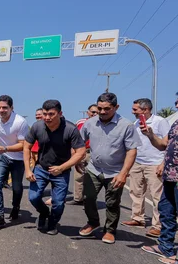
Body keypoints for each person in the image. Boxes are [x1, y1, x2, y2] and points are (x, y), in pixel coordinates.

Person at [78, 93, 141, 244]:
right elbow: (79, 142)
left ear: (116, 107)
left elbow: (132, 150)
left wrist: (123, 174)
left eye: (107, 109)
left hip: (115, 172)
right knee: (88, 198)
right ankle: (93, 222)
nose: (102, 112)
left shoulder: (126, 125)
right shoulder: (90, 123)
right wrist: (77, 159)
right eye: (99, 108)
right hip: (94, 169)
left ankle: (110, 230)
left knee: (112, 203)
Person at [24, 100, 86, 235]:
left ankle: (52, 222)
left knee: (58, 203)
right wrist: (28, 169)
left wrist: (62, 167)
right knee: (33, 197)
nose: (47, 118)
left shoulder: (70, 129)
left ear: (60, 113)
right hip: (41, 168)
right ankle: (44, 212)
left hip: (61, 171)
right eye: (45, 114)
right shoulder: (37, 126)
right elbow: (26, 146)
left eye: (51, 114)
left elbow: (81, 152)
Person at [121, 98, 169, 238]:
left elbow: (167, 143)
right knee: (135, 192)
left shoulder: (160, 122)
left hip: (155, 163)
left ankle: (158, 225)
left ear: (146, 109)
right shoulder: (136, 123)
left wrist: (163, 163)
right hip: (138, 162)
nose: (132, 111)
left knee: (157, 196)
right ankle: (137, 218)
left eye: (135, 109)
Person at [0, 95, 29, 228]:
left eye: (4, 107)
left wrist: (6, 148)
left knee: (17, 187)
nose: (1, 110)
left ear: (11, 108)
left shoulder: (20, 122)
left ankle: (16, 206)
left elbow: (23, 145)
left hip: (18, 158)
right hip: (1, 157)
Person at [140, 116, 178, 264]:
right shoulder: (176, 123)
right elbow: (163, 144)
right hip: (170, 176)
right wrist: (150, 135)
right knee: (166, 211)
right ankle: (165, 247)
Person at [69, 104, 99, 205]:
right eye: (93, 112)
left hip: (94, 153)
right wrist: (74, 153)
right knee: (79, 176)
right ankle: (78, 198)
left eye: (97, 112)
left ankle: (90, 199)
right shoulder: (81, 123)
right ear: (88, 112)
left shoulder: (102, 123)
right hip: (82, 151)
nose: (95, 114)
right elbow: (74, 138)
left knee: (92, 177)